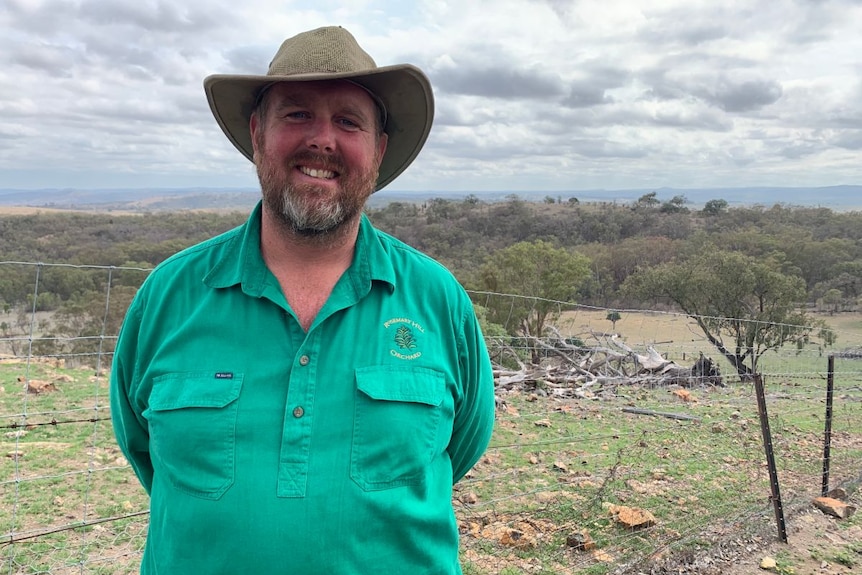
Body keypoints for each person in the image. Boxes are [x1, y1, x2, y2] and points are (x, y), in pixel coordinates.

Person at [109, 26, 495, 575]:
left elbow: (461, 447)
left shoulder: (438, 299)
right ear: (257, 134)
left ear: (378, 149)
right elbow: (143, 448)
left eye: (348, 121)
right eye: (296, 115)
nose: (322, 140)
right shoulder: (169, 295)